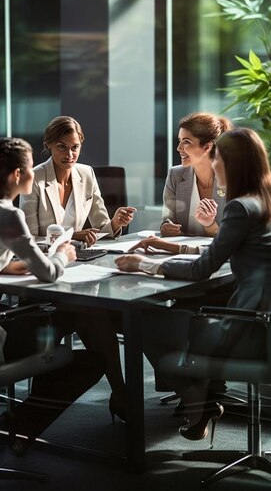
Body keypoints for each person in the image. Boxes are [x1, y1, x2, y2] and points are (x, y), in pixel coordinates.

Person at [0, 136, 125, 452]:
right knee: (89, 350)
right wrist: (64, 255)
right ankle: (23, 423)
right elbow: (49, 272)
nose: (35, 174)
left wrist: (9, 266)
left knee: (60, 319)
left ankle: (25, 425)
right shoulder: (7, 215)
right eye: (31, 168)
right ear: (17, 175)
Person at [115, 128, 271, 444]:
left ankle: (197, 398)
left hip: (250, 330)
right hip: (262, 322)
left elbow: (202, 269)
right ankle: (204, 399)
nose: (213, 167)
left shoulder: (240, 208)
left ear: (233, 164)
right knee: (183, 312)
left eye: (219, 160)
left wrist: (143, 264)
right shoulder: (264, 200)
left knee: (146, 316)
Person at [20, 115, 136, 246]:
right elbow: (28, 239)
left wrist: (115, 222)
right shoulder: (34, 178)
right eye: (62, 147)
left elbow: (102, 228)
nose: (69, 155)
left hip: (78, 256)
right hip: (45, 259)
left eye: (75, 147)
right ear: (48, 145)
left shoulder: (87, 174)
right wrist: (71, 236)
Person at [160, 112, 233, 238]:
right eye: (179, 141)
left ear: (207, 147)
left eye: (186, 142)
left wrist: (209, 225)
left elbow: (233, 238)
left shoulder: (232, 179)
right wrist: (166, 227)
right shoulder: (175, 175)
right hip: (182, 255)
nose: (179, 148)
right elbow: (168, 219)